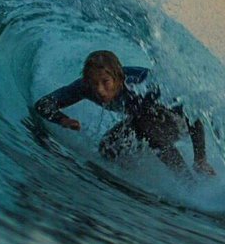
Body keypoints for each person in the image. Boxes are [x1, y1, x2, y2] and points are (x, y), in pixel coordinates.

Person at [30, 50, 215, 177]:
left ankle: (186, 180)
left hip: (179, 120)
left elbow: (193, 113)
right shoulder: (86, 87)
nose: (100, 90)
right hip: (145, 120)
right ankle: (134, 177)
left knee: (144, 124)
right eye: (94, 84)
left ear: (118, 78)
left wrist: (200, 158)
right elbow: (43, 104)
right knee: (107, 147)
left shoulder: (141, 86)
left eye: (105, 82)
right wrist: (63, 119)